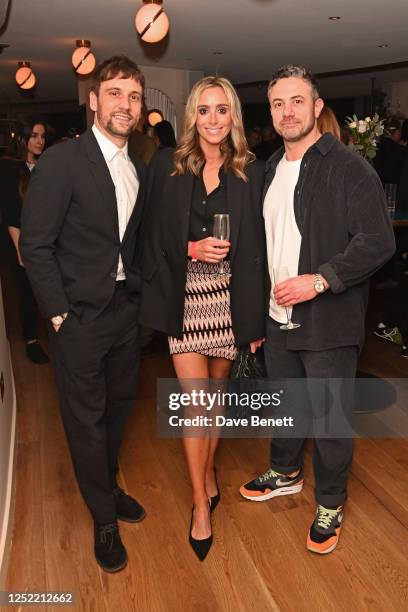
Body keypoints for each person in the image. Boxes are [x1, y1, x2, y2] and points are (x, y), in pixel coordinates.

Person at [239, 64, 395, 555]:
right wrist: (258, 315)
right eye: (278, 103)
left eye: (297, 101)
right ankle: (285, 472)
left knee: (329, 419)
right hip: (276, 316)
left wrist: (320, 279)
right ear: (271, 112)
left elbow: (378, 241)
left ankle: (330, 501)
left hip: (328, 317)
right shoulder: (266, 170)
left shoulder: (349, 168)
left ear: (317, 107)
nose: (288, 112)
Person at [20, 56, 147, 573]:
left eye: (134, 96)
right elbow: (36, 243)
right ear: (93, 101)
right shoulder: (62, 161)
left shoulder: (135, 165)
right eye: (115, 93)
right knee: (86, 422)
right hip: (78, 319)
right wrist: (58, 317)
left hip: (124, 315)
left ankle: (107, 486)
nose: (126, 104)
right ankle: (102, 517)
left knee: (118, 409)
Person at [140, 76, 266, 560]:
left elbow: (259, 248)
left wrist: (255, 323)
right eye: (204, 110)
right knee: (196, 408)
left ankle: (209, 471)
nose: (213, 120)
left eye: (222, 110)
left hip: (232, 301)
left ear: (233, 116)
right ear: (192, 115)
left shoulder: (251, 173)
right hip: (186, 296)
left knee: (215, 404)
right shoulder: (168, 169)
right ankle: (199, 505)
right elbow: (149, 237)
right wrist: (190, 247)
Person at [1, 119, 49, 363]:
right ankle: (31, 340)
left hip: (41, 240)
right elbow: (11, 213)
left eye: (42, 136)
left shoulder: (44, 166)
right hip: (16, 240)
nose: (40, 141)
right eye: (34, 136)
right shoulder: (9, 168)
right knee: (27, 290)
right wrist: (20, 250)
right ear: (22, 139)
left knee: (45, 288)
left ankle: (52, 333)